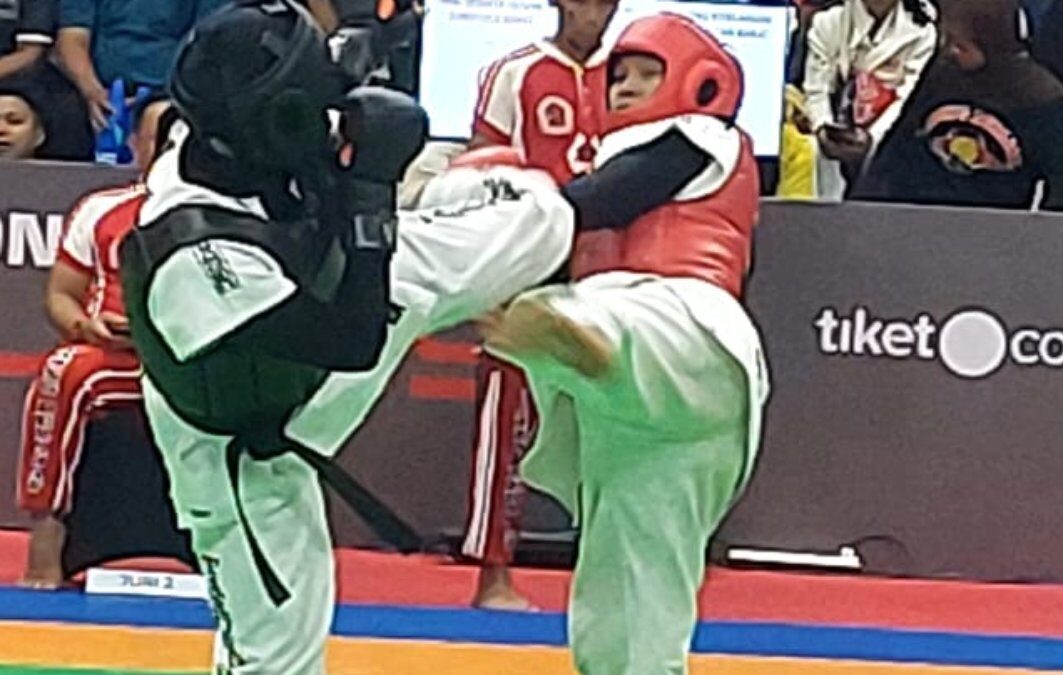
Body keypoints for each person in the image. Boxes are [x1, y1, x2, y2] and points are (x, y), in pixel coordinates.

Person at [119, 2, 573, 671]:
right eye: (313, 106)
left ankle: (548, 212)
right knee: (276, 651)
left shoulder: (230, 129)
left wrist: (363, 58)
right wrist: (369, 191)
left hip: (311, 306)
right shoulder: (194, 255)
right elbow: (352, 340)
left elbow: (313, 117)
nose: (326, 118)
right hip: (249, 435)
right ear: (279, 118)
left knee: (541, 220)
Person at [480, 13, 770, 674]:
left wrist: (494, 218)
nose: (627, 87)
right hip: (651, 416)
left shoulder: (703, 137)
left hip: (687, 330)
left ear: (702, 84)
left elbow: (600, 200)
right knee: (629, 581)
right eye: (619, 77)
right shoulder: (608, 165)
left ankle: (576, 339)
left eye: (647, 73)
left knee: (590, 314)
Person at [463, 0, 618, 609]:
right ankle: (492, 574)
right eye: (584, 1)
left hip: (607, 270)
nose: (595, 13)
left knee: (616, 426)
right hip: (529, 267)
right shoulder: (514, 72)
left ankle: (608, 573)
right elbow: (481, 171)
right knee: (505, 423)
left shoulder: (632, 74)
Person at [15, 94, 173, 588]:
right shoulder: (102, 209)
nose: (170, 150)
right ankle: (48, 534)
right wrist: (88, 327)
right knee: (65, 370)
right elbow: (61, 295)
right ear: (138, 144)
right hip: (116, 360)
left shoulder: (231, 212)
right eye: (160, 139)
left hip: (197, 367)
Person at [852, 0, 1063, 209]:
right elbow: (892, 152)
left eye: (958, 44)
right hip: (909, 211)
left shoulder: (1038, 98)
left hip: (994, 222)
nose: (949, 50)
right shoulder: (936, 78)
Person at [800, 0, 937, 195]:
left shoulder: (922, 32)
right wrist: (822, 127)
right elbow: (816, 89)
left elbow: (906, 98)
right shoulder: (827, 22)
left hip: (889, 139)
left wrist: (872, 138)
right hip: (830, 136)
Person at [56, 0, 229, 129]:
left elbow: (203, 46)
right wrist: (92, 91)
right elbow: (72, 39)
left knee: (158, 121)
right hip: (95, 87)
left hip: (169, 91)